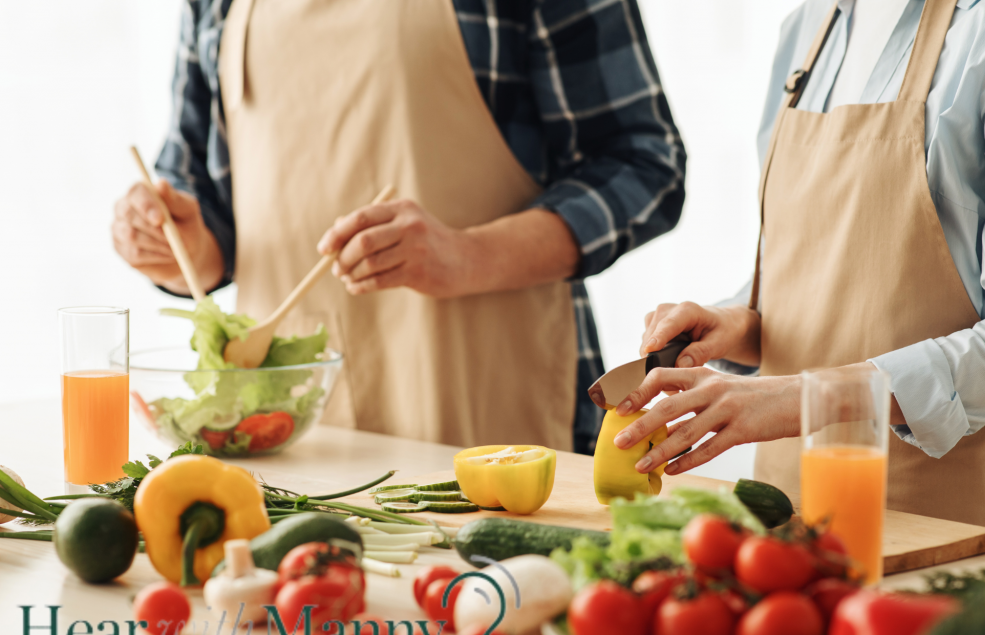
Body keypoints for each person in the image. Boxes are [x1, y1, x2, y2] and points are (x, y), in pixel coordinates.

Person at [111, 0, 685, 455]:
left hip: (488, 413)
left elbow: (645, 163)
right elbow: (203, 213)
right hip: (287, 436)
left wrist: (469, 255)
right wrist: (176, 244)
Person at [613, 0, 985, 537]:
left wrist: (802, 397)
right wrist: (741, 323)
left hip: (937, 523)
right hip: (782, 520)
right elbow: (836, 281)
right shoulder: (806, 30)